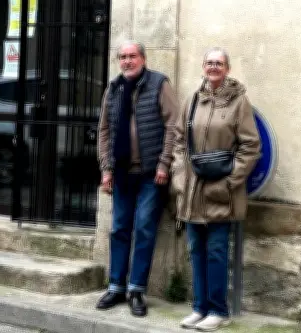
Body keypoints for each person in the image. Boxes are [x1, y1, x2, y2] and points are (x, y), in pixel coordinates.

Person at [170, 47, 261, 331]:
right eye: (209, 62)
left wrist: (229, 183)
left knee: (217, 251)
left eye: (219, 63)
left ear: (227, 69)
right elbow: (178, 140)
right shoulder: (193, 99)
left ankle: (218, 310)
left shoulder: (239, 102)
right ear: (203, 66)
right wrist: (179, 175)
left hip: (221, 190)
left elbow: (251, 146)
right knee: (196, 249)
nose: (213, 67)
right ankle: (200, 308)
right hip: (193, 189)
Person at [95, 41, 179, 317]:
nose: (127, 61)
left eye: (132, 56)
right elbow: (104, 130)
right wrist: (106, 169)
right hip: (121, 174)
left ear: (143, 58)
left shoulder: (159, 83)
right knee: (119, 228)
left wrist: (164, 163)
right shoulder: (114, 87)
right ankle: (116, 286)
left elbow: (173, 125)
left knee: (144, 229)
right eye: (123, 57)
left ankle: (136, 290)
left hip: (150, 174)